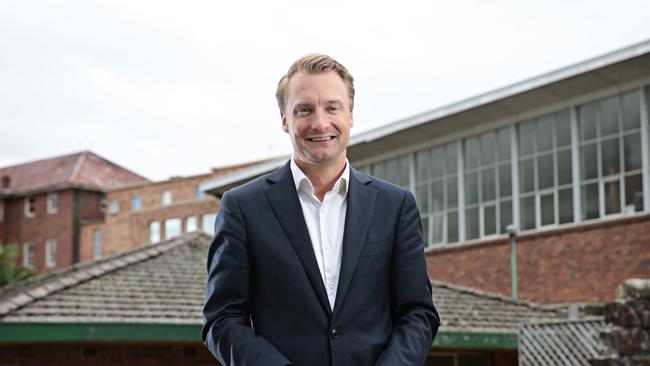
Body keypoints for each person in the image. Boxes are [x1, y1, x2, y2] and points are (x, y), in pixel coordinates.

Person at [202, 54, 439, 366]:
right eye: (304, 109)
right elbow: (222, 320)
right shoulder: (243, 207)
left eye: (332, 107)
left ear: (350, 115)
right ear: (285, 120)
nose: (319, 122)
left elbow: (417, 314)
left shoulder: (395, 207)